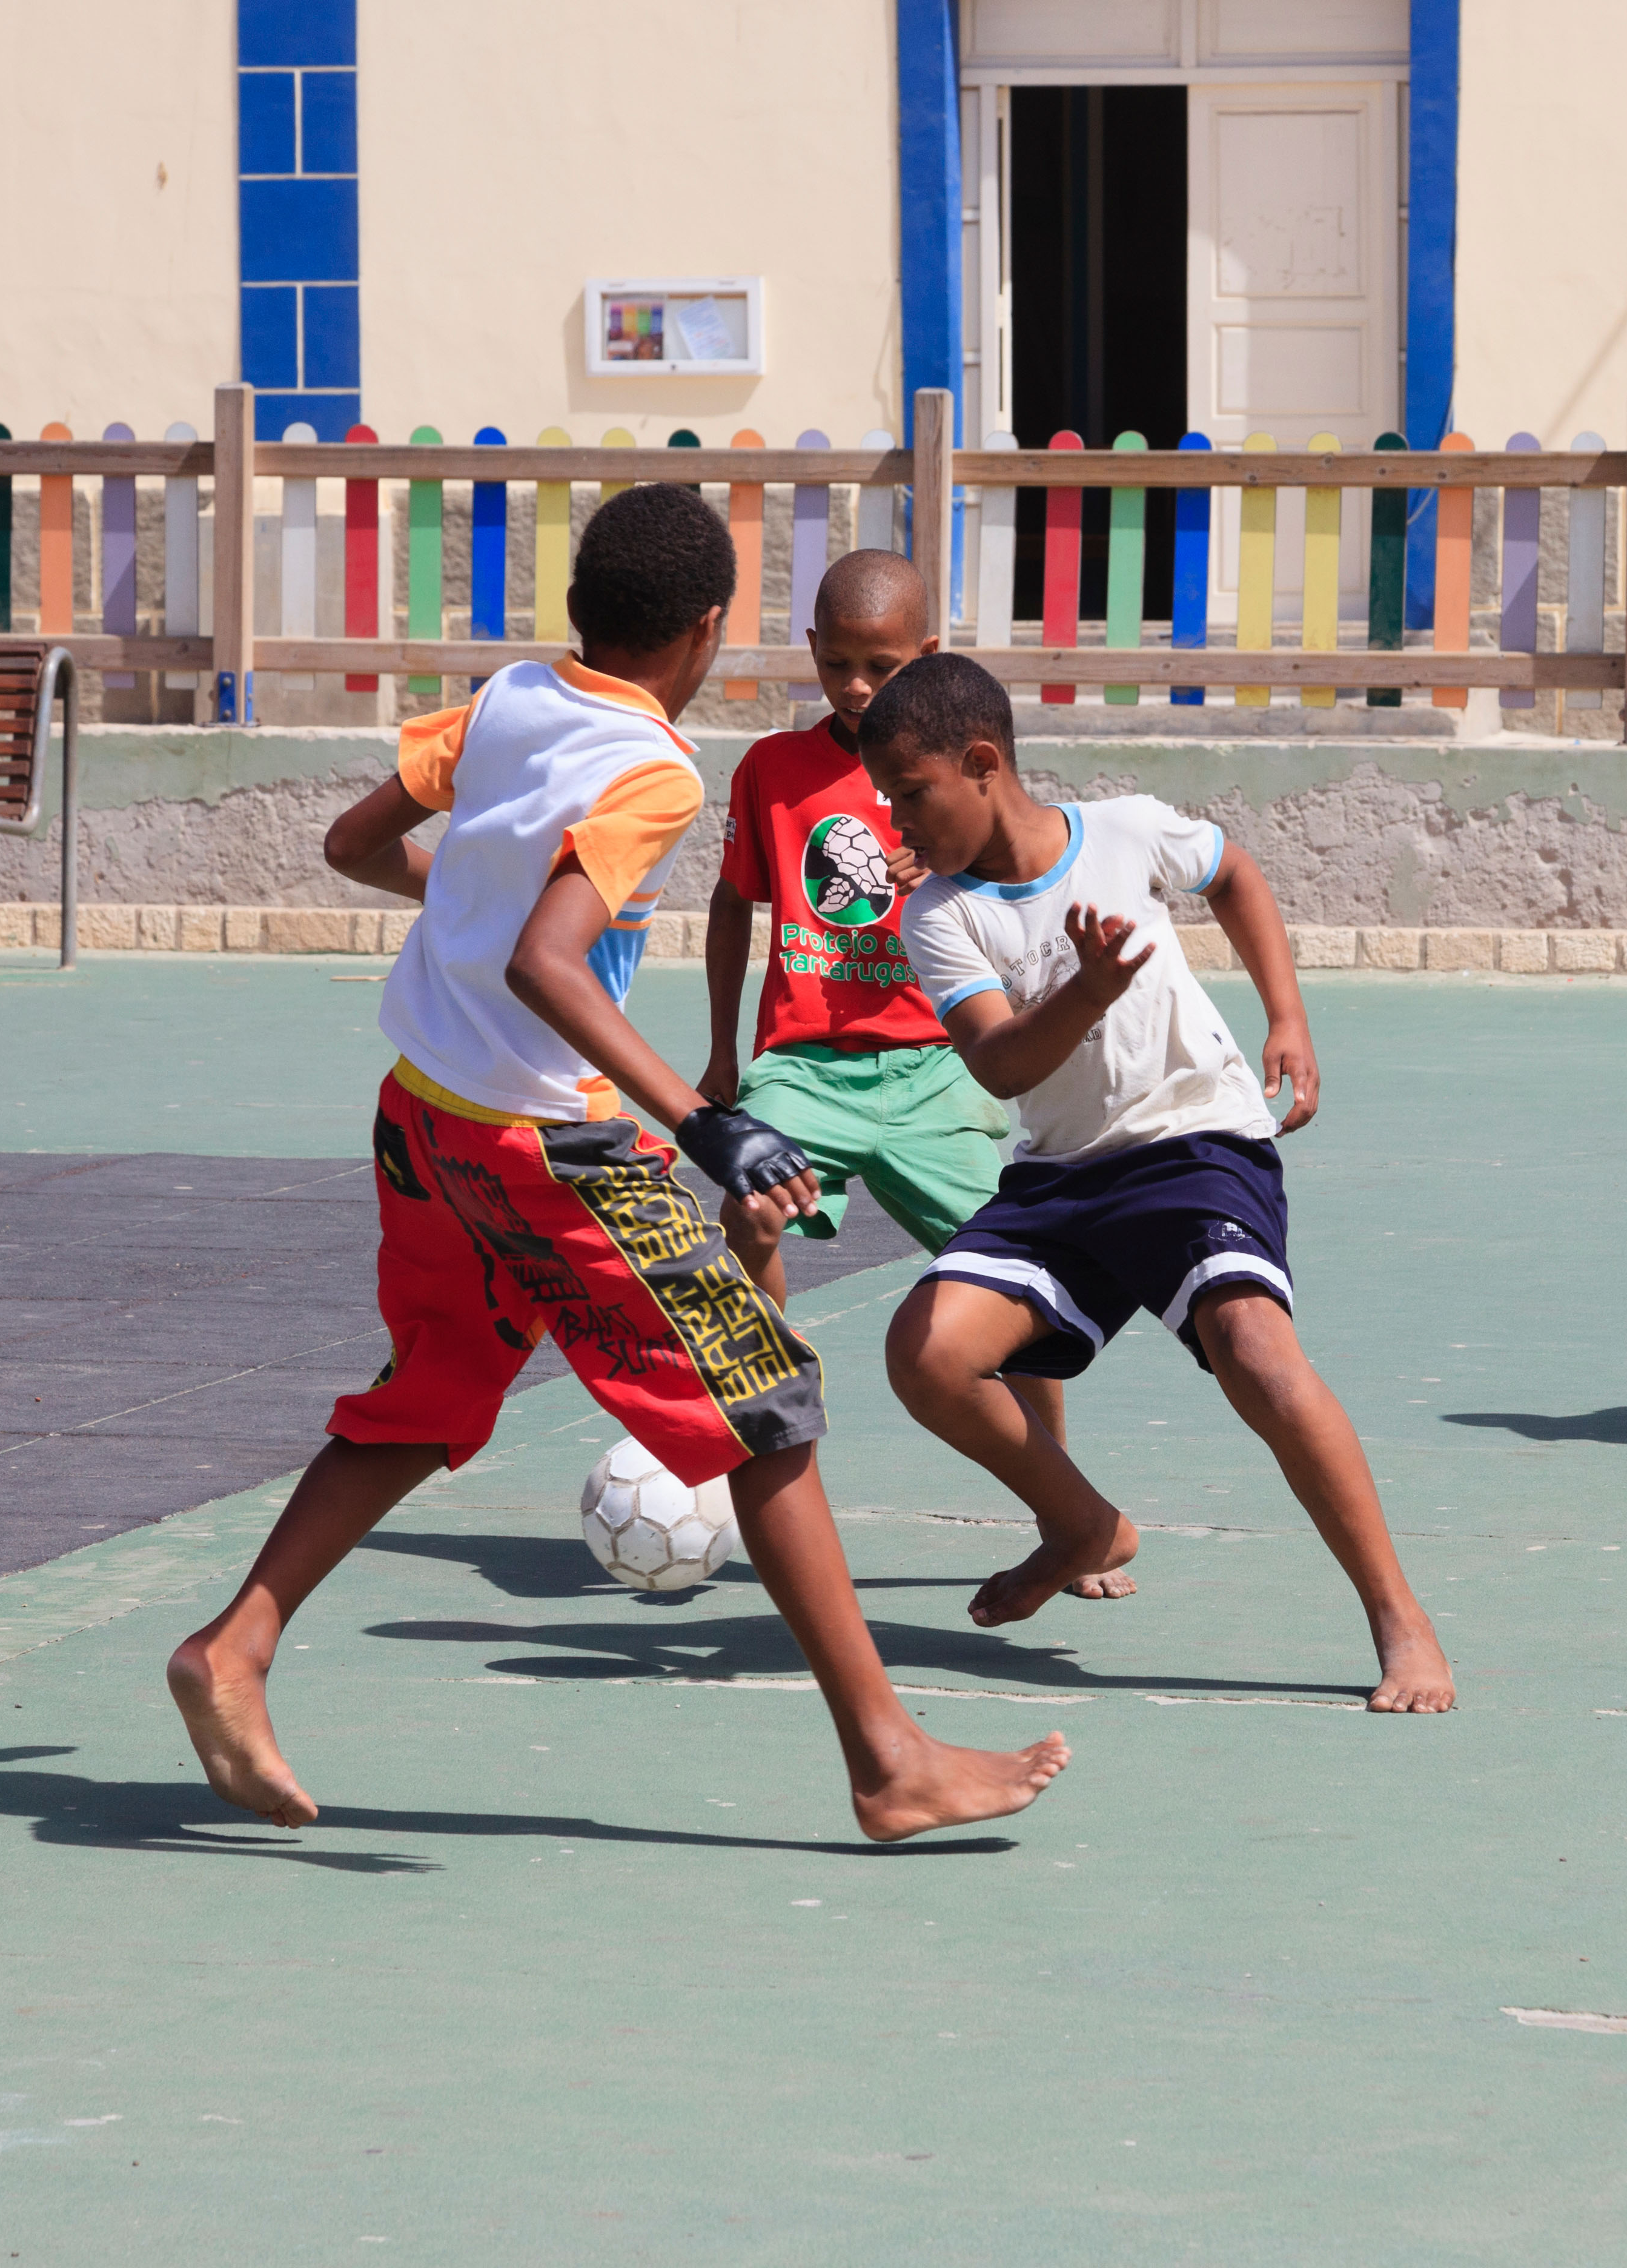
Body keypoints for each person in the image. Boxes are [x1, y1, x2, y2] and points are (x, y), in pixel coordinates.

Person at [165, 483, 1070, 1842]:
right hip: (550, 1143)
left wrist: (468, 898)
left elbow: (356, 847)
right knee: (769, 1410)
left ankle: (235, 1643)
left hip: (423, 1116)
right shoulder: (657, 770)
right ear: (708, 631)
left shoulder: (513, 696)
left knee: (429, 1393)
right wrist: (704, 1117)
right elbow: (544, 961)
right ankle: (889, 1762)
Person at [858, 653, 1453, 1714]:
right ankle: (1081, 1523)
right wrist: (1086, 992)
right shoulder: (940, 915)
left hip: (1196, 1147)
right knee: (925, 1353)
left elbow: (1235, 873)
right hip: (1060, 1181)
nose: (899, 827)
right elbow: (1001, 1065)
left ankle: (1400, 1620)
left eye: (911, 796)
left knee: (1257, 1357)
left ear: (982, 763)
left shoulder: (1125, 830)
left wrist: (1288, 1015)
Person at [696, 551, 1102, 1584]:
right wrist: (721, 1051)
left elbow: (1023, 882)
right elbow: (732, 903)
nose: (856, 688)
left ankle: (1066, 1509)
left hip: (939, 1067)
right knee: (748, 1209)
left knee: (1019, 1285)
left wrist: (951, 862)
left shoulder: (957, 771)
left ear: (929, 654)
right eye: (836, 665)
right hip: (805, 1067)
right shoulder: (772, 771)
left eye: (879, 666)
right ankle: (761, 1435)